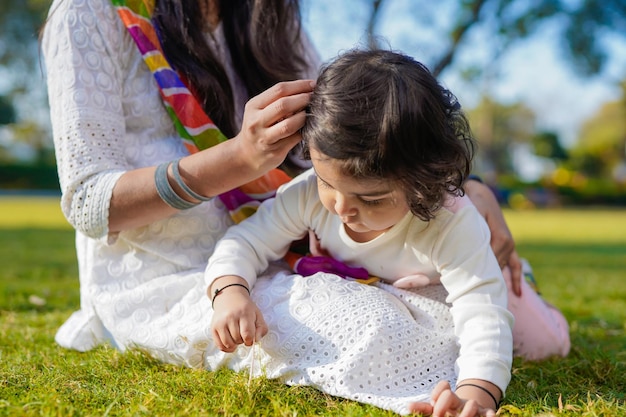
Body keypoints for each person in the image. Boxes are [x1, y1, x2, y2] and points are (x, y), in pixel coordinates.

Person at [41, 0, 566, 414]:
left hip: (290, 260)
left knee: (479, 311)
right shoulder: (89, 14)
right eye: (334, 191)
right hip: (183, 277)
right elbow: (88, 203)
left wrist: (464, 190)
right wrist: (239, 161)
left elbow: (371, 128)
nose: (343, 205)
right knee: (385, 331)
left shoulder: (267, 14)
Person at [206, 48, 514, 416]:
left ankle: (524, 281)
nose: (340, 207)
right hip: (374, 288)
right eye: (326, 181)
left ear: (424, 184)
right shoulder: (307, 195)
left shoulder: (451, 222)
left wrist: (475, 396)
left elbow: (483, 312)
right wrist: (230, 291)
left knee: (538, 339)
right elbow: (246, 240)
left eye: (372, 199)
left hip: (445, 291)